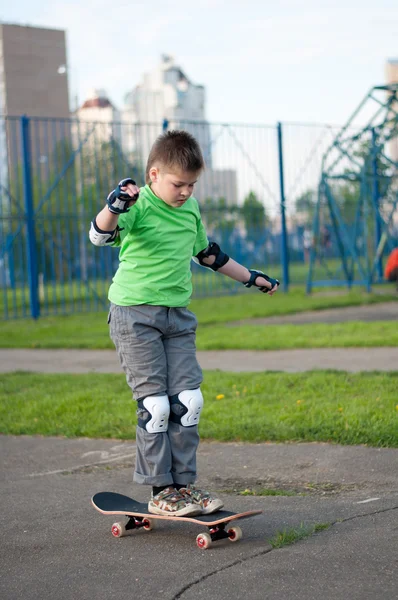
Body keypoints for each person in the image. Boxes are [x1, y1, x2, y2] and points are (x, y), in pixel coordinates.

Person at [89, 130, 279, 518]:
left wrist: (250, 277)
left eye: (192, 184)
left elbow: (208, 255)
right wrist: (115, 205)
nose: (186, 192)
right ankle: (161, 490)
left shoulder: (190, 210)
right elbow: (99, 235)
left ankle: (183, 486)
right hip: (134, 315)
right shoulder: (137, 205)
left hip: (177, 316)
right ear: (154, 175)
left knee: (188, 401)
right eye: (179, 184)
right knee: (155, 406)